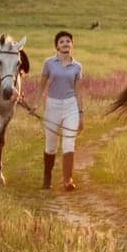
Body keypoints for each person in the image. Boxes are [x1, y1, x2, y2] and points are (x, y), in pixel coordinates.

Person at [33, 30, 85, 191]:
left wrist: (80, 113)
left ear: (72, 45)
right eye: (62, 41)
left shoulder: (77, 66)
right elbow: (42, 85)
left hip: (71, 106)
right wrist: (35, 104)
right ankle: (47, 177)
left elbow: (78, 91)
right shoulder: (49, 63)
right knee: (51, 145)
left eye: (68, 41)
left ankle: (67, 180)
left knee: (69, 142)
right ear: (56, 46)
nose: (65, 43)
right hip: (53, 105)